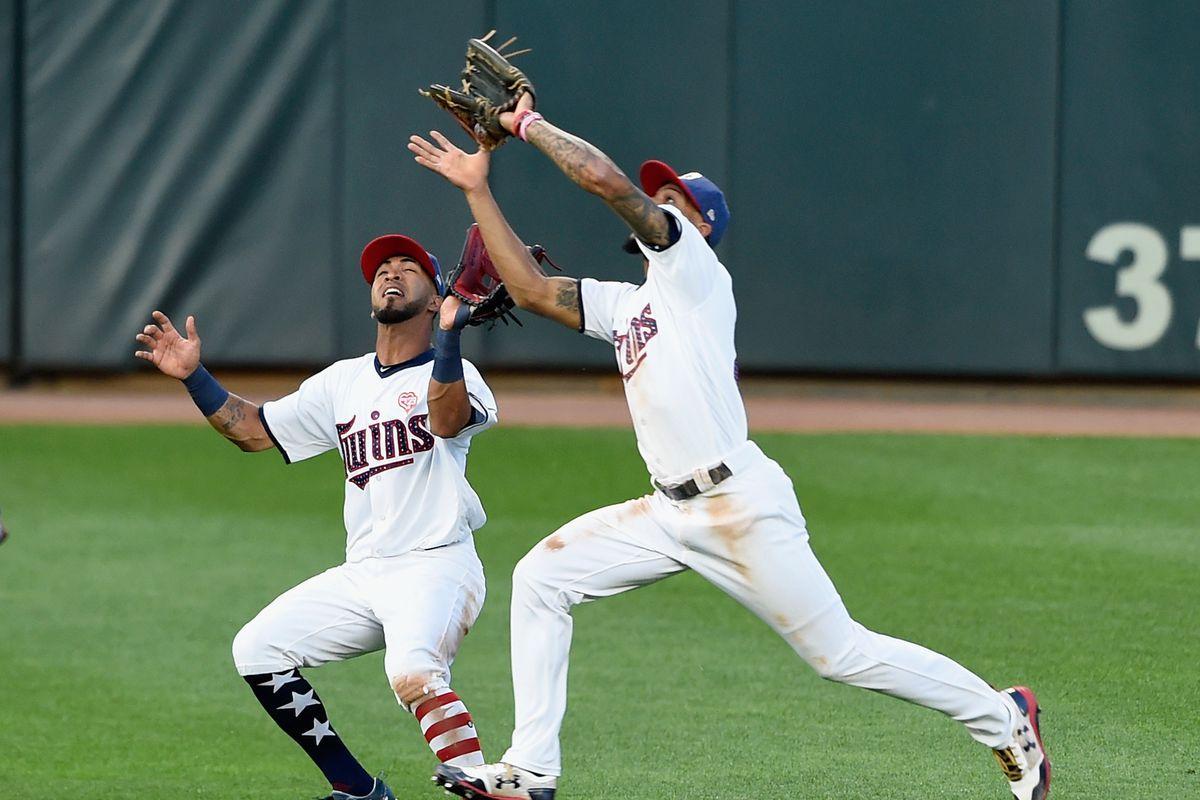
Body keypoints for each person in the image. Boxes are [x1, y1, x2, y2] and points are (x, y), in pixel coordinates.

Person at [407, 95, 1050, 800]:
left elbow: (607, 185)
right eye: (662, 196)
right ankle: (530, 772)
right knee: (540, 580)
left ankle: (1003, 716)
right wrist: (478, 191)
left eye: (676, 198)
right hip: (666, 512)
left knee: (841, 655)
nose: (661, 201)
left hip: (738, 505)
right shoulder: (630, 306)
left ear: (700, 224)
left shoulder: (695, 272)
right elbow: (529, 289)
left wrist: (527, 126)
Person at [134, 234, 499, 800]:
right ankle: (357, 788)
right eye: (381, 269)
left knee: (413, 675)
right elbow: (252, 432)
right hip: (365, 572)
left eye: (409, 267)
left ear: (436, 299)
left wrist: (451, 337)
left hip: (436, 564)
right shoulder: (342, 382)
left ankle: (483, 785)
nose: (390, 273)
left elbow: (448, 420)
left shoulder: (458, 373)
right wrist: (193, 376)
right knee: (257, 649)